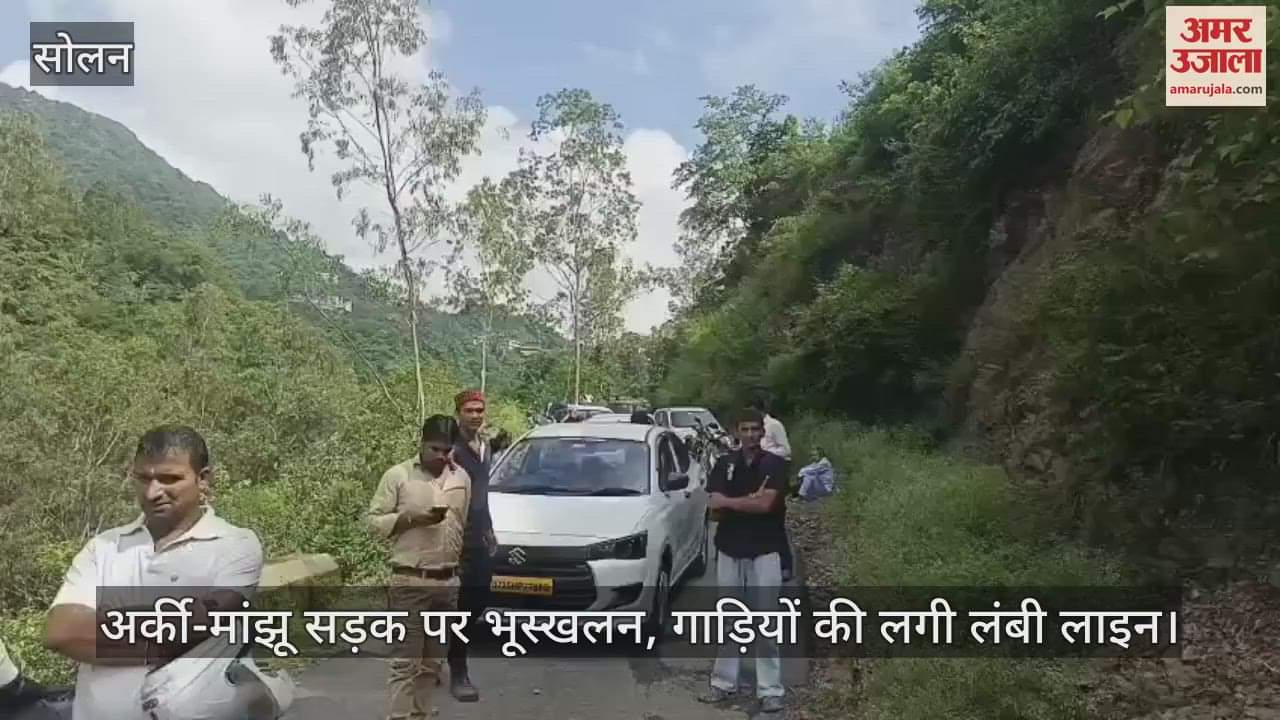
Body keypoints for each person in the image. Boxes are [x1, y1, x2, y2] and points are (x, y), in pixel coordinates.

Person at [43, 425, 268, 720]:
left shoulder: (235, 545)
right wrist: (171, 632)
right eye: (142, 478)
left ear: (203, 480)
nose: (152, 492)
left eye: (169, 479)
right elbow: (61, 632)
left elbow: (202, 623)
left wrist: (103, 625)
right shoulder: (104, 547)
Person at [367, 415, 471, 720]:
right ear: (422, 443)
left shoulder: (461, 479)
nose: (440, 456)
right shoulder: (398, 476)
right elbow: (373, 523)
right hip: (410, 581)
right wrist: (411, 518)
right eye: (434, 449)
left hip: (448, 582)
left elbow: (464, 524)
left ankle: (421, 713)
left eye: (446, 450)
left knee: (433, 664)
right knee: (405, 663)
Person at [697, 408, 787, 714]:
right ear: (735, 432)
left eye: (755, 429)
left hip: (765, 550)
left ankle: (770, 690)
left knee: (767, 621)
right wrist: (745, 501)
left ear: (763, 432)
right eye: (744, 429)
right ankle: (723, 683)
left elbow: (765, 505)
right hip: (729, 549)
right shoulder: (725, 463)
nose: (750, 435)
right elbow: (714, 509)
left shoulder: (774, 464)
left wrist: (732, 502)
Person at [447, 390, 497, 702]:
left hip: (479, 535)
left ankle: (441, 650)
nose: (475, 415)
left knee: (480, 597)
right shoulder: (449, 450)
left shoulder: (484, 447)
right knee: (462, 605)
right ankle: (458, 671)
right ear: (458, 413)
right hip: (454, 538)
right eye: (469, 410)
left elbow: (482, 493)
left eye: (479, 410)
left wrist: (489, 528)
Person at [751, 397, 794, 580]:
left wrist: (765, 453)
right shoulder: (753, 429)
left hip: (774, 478)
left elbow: (786, 451)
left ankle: (786, 565)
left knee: (776, 523)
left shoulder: (774, 425)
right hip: (756, 479)